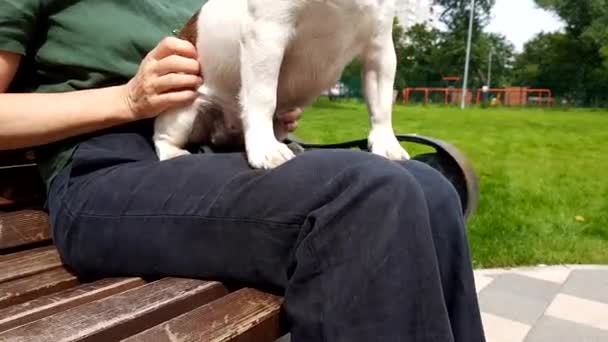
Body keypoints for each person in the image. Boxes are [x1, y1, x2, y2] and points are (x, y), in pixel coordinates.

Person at [0, 1, 486, 341]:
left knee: (428, 189)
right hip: (105, 168)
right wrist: (127, 99)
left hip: (212, 151)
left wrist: (270, 100)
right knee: (367, 197)